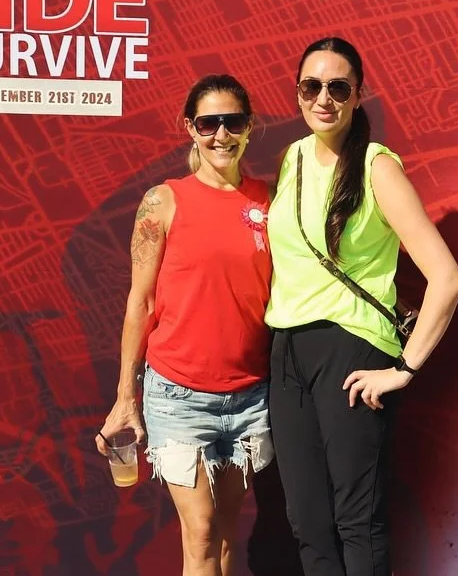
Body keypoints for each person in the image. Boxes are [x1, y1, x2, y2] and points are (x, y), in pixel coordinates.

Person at [265, 37, 458, 576]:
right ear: (298, 93)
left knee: (357, 520)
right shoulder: (294, 159)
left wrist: (404, 369)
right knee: (306, 520)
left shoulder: (379, 169)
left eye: (338, 87)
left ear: (358, 95)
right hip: (286, 351)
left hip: (349, 350)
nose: (323, 98)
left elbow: (446, 278)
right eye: (312, 86)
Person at [96, 74, 275, 576]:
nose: (221, 134)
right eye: (208, 122)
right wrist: (125, 398)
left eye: (232, 121)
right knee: (199, 536)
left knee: (222, 539)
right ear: (190, 129)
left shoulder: (270, 201)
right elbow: (141, 301)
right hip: (179, 395)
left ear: (249, 126)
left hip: (249, 397)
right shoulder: (164, 200)